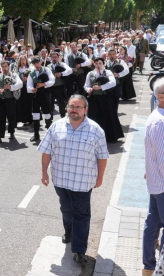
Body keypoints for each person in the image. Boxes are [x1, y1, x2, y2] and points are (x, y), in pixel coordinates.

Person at [38, 94, 109, 264]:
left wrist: (100, 177)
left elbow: (102, 157)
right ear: (67, 108)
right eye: (71, 106)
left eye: (78, 107)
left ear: (85, 109)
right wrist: (44, 173)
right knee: (66, 209)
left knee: (82, 215)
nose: (74, 110)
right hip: (61, 180)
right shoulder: (56, 127)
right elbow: (46, 151)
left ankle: (79, 249)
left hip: (83, 183)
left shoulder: (96, 130)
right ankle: (69, 231)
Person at [142, 78, 164, 276]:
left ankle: (149, 268)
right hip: (162, 185)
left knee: (152, 224)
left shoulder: (156, 117)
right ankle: (156, 268)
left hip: (156, 183)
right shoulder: (161, 121)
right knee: (154, 226)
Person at [84, 57, 124, 142]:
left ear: (103, 64)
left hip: (105, 98)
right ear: (94, 64)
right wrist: (89, 89)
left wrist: (101, 87)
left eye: (100, 63)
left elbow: (113, 83)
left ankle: (109, 137)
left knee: (107, 117)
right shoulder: (90, 73)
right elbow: (86, 85)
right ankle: (94, 137)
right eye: (96, 63)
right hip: (94, 99)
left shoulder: (108, 72)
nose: (98, 65)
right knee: (94, 117)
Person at [0, 60, 23, 144]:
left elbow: (20, 84)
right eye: (3, 67)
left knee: (11, 116)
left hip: (10, 99)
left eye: (6, 66)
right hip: (0, 100)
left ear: (9, 66)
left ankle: (11, 133)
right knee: (0, 118)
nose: (4, 68)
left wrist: (10, 87)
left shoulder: (14, 75)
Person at [27, 56, 55, 142]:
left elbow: (52, 80)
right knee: (35, 114)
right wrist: (32, 89)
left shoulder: (46, 70)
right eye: (34, 63)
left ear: (40, 62)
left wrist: (44, 84)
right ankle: (36, 135)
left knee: (47, 113)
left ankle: (50, 135)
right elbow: (28, 85)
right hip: (36, 95)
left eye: (37, 63)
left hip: (45, 94)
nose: (36, 65)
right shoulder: (31, 73)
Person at [47, 52, 73, 119]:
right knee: (50, 104)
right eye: (53, 57)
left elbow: (70, 70)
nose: (54, 58)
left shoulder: (62, 64)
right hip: (51, 88)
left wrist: (61, 74)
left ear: (58, 58)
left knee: (61, 104)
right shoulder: (47, 67)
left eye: (55, 57)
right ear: (50, 58)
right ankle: (50, 120)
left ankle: (63, 117)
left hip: (60, 87)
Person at [15, 55, 33, 126]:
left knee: (28, 103)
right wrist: (21, 80)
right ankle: (20, 119)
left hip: (27, 88)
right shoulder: (17, 69)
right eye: (21, 60)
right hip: (20, 89)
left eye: (24, 60)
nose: (23, 61)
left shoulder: (29, 68)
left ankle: (29, 119)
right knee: (19, 104)